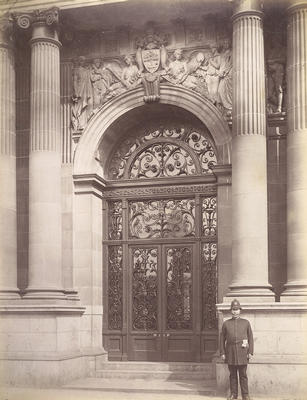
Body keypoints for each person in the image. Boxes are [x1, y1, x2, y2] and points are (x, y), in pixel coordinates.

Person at [220, 299, 254, 400]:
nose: (235, 311)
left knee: (243, 375)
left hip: (242, 352)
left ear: (240, 310)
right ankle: (233, 394)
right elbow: (222, 339)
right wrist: (222, 352)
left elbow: (250, 337)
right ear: (231, 311)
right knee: (233, 375)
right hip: (230, 352)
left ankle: (245, 395)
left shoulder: (246, 323)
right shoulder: (226, 324)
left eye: (237, 309)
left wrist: (250, 352)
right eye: (233, 309)